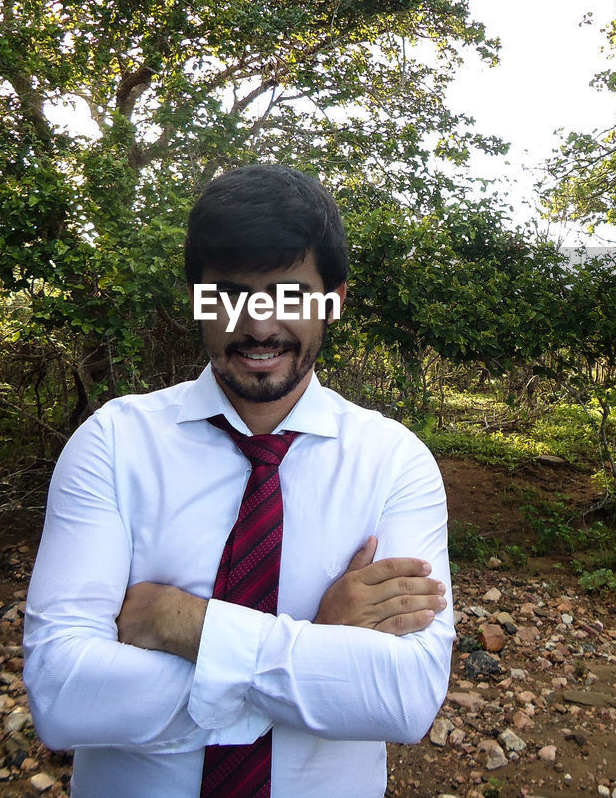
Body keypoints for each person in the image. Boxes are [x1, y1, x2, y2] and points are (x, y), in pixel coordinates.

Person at [23, 165, 454, 798]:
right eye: (227, 295)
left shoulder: (394, 462)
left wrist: (182, 623)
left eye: (289, 294)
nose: (257, 327)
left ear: (332, 299)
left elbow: (405, 698)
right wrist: (319, 653)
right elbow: (64, 695)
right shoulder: (114, 444)